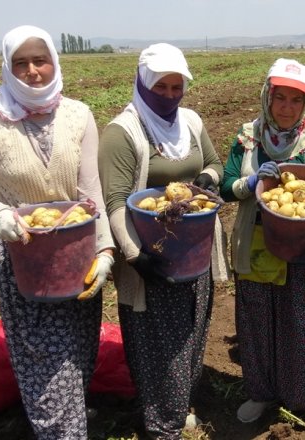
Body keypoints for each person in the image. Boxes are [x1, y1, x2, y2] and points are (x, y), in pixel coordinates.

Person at [0, 25, 114, 439]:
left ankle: (72, 418)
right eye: (21, 63)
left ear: (54, 63)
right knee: (43, 357)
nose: (31, 71)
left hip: (76, 250)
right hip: (22, 255)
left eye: (39, 60)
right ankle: (62, 430)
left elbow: (90, 193)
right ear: (8, 69)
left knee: (80, 346)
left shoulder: (79, 115)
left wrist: (105, 250)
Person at [97, 43, 225, 439]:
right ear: (142, 82)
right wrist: (136, 257)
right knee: (157, 347)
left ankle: (176, 407)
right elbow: (115, 200)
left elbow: (214, 163)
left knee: (192, 332)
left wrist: (207, 181)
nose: (170, 95)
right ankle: (161, 424)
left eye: (177, 87)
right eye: (161, 87)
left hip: (194, 251)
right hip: (151, 260)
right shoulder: (123, 132)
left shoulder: (190, 121)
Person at [219, 58, 305, 440]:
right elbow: (226, 185)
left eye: (296, 100)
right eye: (280, 97)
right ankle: (262, 395)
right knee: (257, 323)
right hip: (255, 245)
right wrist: (249, 183)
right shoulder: (247, 137)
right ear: (267, 95)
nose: (287, 107)